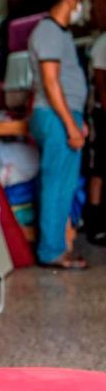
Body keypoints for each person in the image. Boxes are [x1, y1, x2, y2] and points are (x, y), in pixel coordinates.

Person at [27, 0, 89, 268]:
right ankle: (51, 252)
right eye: (80, 0)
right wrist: (70, 125)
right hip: (55, 117)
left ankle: (56, 248)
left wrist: (78, 120)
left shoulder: (59, 34)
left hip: (64, 116)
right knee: (56, 184)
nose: (81, 7)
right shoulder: (49, 31)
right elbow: (51, 84)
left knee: (62, 184)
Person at [85, 31, 106, 245]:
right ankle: (95, 225)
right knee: (99, 169)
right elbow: (101, 84)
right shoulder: (103, 43)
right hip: (102, 114)